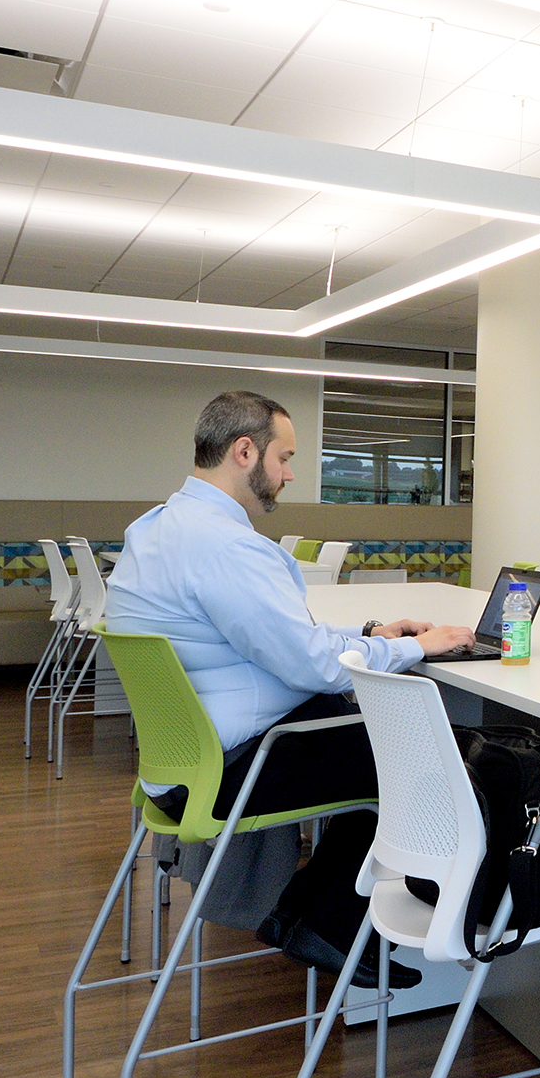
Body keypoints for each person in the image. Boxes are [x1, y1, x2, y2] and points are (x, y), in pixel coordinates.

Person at [104, 390, 473, 985]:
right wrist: (413, 647)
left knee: (352, 725)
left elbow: (272, 639)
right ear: (244, 451)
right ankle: (328, 919)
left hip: (179, 768)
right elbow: (315, 666)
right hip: (236, 768)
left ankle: (311, 912)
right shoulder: (226, 546)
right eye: (285, 458)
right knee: (423, 757)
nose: (290, 474)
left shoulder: (157, 529)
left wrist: (370, 632)